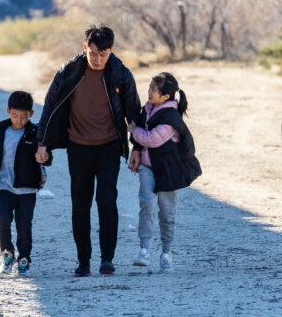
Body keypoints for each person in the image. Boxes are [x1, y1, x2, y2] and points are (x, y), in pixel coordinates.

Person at [35, 24, 142, 277]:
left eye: (103, 54)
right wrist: (42, 142)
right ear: (85, 47)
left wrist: (137, 147)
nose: (97, 59)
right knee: (80, 205)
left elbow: (134, 113)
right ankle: (83, 261)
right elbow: (50, 105)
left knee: (107, 201)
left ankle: (107, 259)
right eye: (93, 53)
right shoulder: (70, 71)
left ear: (111, 51)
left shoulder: (120, 73)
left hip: (108, 147)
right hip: (78, 147)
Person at [127, 72, 201, 271]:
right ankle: (144, 250)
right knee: (147, 204)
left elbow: (151, 139)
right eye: (150, 86)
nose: (149, 91)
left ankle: (166, 253)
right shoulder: (148, 108)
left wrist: (133, 131)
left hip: (168, 170)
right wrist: (136, 149)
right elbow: (143, 139)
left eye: (154, 89)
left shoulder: (170, 117)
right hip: (146, 167)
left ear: (165, 97)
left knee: (167, 213)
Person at [0, 91, 52, 276]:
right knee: (2, 220)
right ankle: (8, 254)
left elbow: (47, 157)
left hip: (27, 189)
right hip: (5, 187)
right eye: (14, 116)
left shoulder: (37, 133)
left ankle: (24, 260)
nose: (19, 120)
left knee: (24, 226)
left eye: (24, 117)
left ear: (31, 114)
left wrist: (43, 156)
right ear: (8, 111)